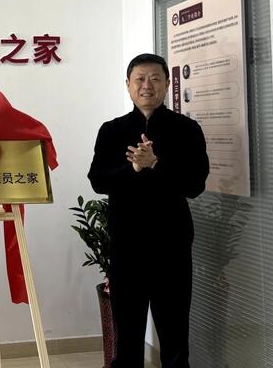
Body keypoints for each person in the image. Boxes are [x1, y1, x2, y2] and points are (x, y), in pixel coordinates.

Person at [88, 53, 209, 368]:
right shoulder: (111, 130)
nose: (147, 86)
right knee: (127, 332)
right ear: (127, 85)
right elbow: (98, 181)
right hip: (126, 244)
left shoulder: (187, 129)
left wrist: (156, 164)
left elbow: (195, 184)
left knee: (174, 331)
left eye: (155, 79)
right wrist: (133, 168)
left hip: (172, 244)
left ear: (167, 84)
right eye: (139, 79)